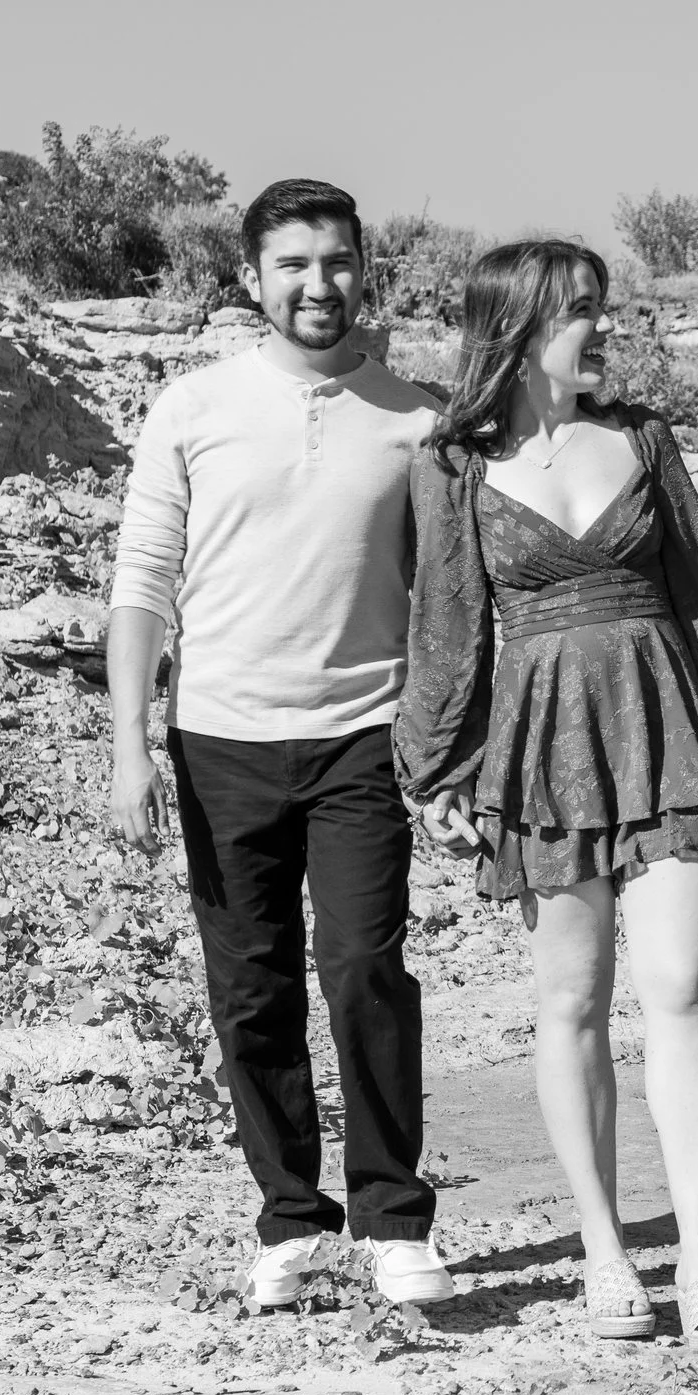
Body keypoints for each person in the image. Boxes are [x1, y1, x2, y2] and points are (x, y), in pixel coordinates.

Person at [393, 239, 698, 1358]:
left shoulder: (643, 438)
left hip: (668, 725)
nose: (603, 329)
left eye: (602, 308)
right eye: (579, 312)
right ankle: (606, 1251)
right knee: (570, 1002)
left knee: (683, 985)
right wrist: (437, 766)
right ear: (515, 326)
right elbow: (447, 627)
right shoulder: (455, 463)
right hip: (540, 746)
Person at [106, 179, 454, 1309]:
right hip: (220, 740)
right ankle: (292, 1222)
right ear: (250, 279)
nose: (320, 284)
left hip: (363, 740)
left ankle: (395, 1217)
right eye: (294, 264)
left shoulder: (415, 417)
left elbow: (454, 596)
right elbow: (142, 582)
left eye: (339, 261)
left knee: (364, 972)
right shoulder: (192, 406)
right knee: (250, 990)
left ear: (365, 270)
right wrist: (131, 748)